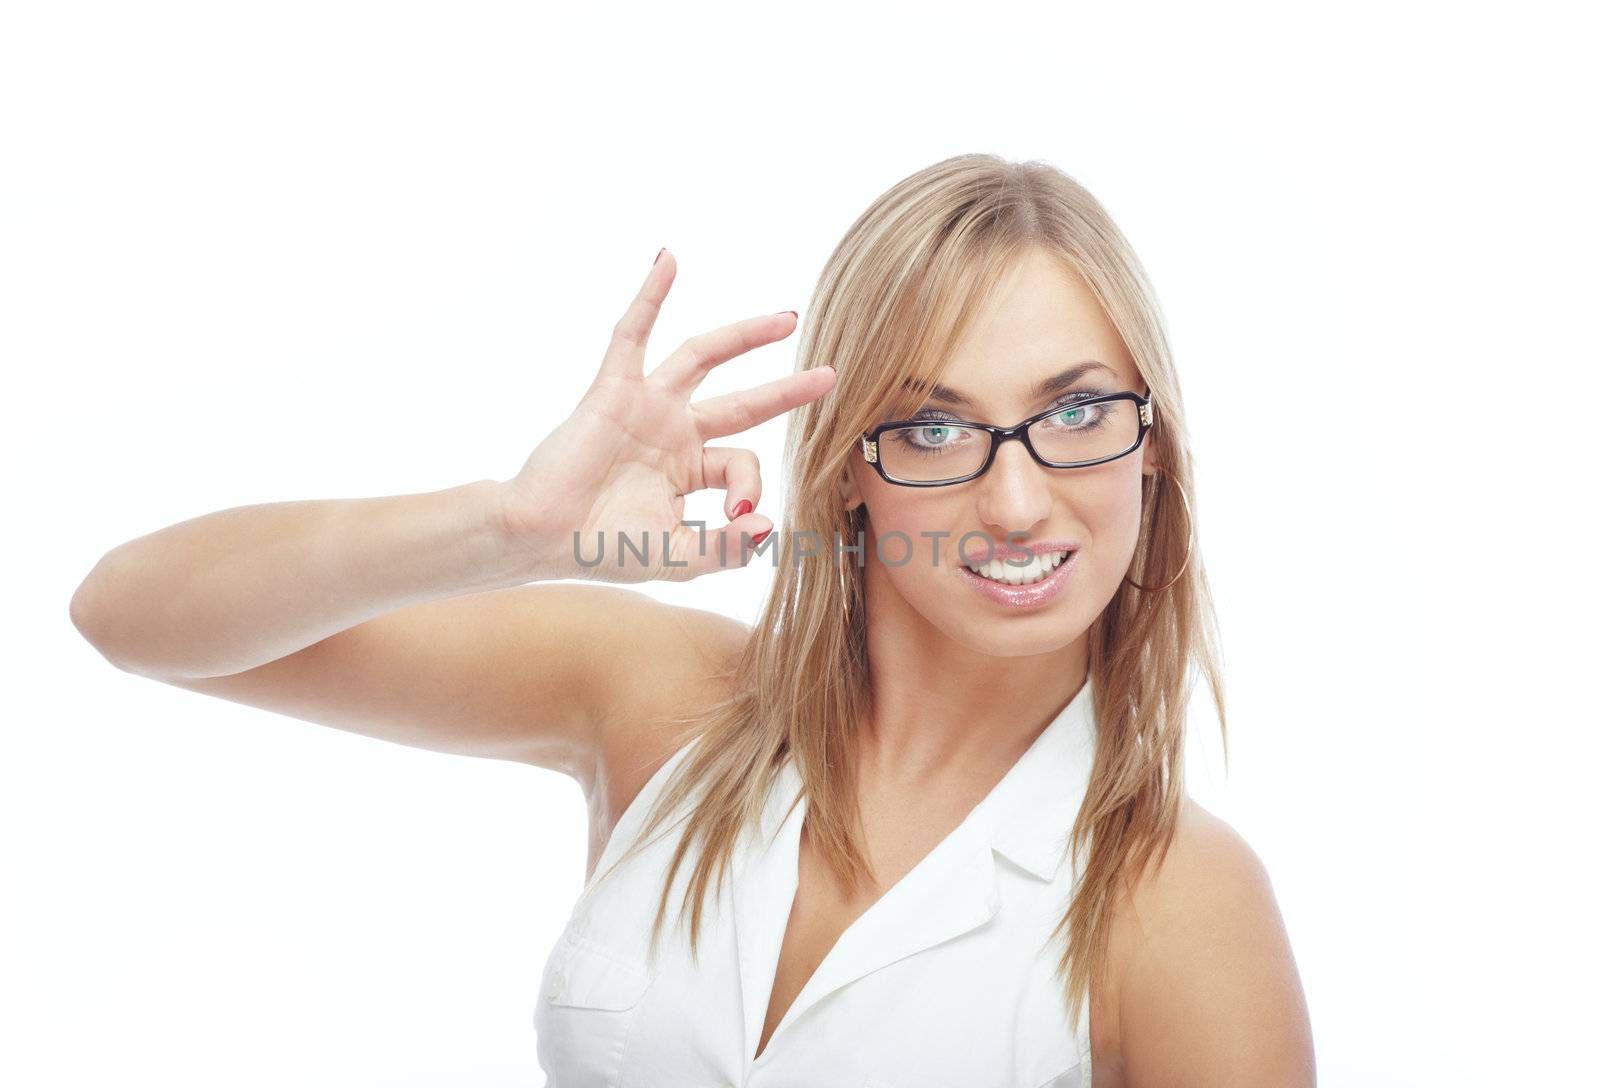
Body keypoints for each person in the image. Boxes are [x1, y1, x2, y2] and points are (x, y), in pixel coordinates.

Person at [69, 154, 1315, 1086]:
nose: (1012, 497)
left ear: (1153, 454)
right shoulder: (665, 698)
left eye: (1079, 410)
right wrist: (514, 530)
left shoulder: (1181, 903)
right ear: (846, 472)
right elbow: (130, 613)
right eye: (931, 427)